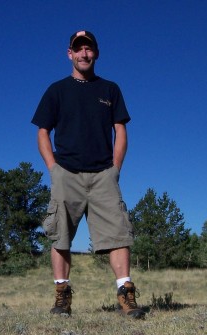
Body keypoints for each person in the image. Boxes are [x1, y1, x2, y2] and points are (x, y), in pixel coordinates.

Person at [31, 30, 144, 319]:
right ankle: (62, 296)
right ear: (69, 53)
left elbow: (121, 130)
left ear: (96, 53)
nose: (84, 54)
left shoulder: (110, 89)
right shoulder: (56, 90)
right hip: (66, 173)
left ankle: (126, 294)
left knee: (119, 235)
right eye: (78, 49)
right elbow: (43, 131)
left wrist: (115, 169)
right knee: (61, 236)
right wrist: (53, 169)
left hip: (103, 174)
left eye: (88, 49)